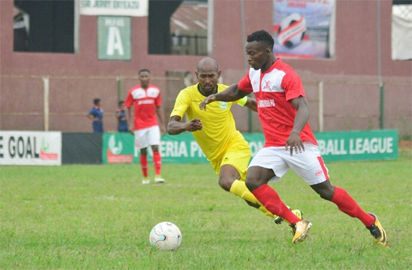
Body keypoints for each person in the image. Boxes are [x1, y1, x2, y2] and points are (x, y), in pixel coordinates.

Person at [200, 30, 387, 246]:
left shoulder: (285, 75)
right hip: (274, 146)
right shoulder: (254, 74)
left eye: (252, 53)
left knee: (326, 191)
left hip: (299, 145)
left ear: (267, 52)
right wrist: (216, 96)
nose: (249, 58)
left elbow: (303, 107)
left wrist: (295, 133)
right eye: (247, 53)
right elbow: (237, 91)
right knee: (253, 180)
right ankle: (297, 222)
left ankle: (370, 221)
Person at [168, 57, 302, 224]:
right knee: (250, 196)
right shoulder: (187, 95)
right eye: (203, 76)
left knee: (226, 181)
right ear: (196, 75)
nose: (207, 80)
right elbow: (171, 126)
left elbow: (252, 103)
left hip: (235, 146)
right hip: (216, 158)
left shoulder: (226, 93)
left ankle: (288, 215)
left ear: (218, 74)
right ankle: (290, 214)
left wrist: (280, 115)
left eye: (211, 76)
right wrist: (186, 126)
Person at [125, 69, 166, 185]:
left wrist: (162, 124)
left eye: (146, 76)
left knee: (155, 147)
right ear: (139, 78)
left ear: (149, 77)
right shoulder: (133, 92)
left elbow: (158, 108)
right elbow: (127, 107)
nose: (144, 78)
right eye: (142, 76)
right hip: (139, 126)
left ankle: (158, 176)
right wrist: (130, 124)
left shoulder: (156, 91)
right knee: (143, 151)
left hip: (153, 124)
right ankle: (145, 177)